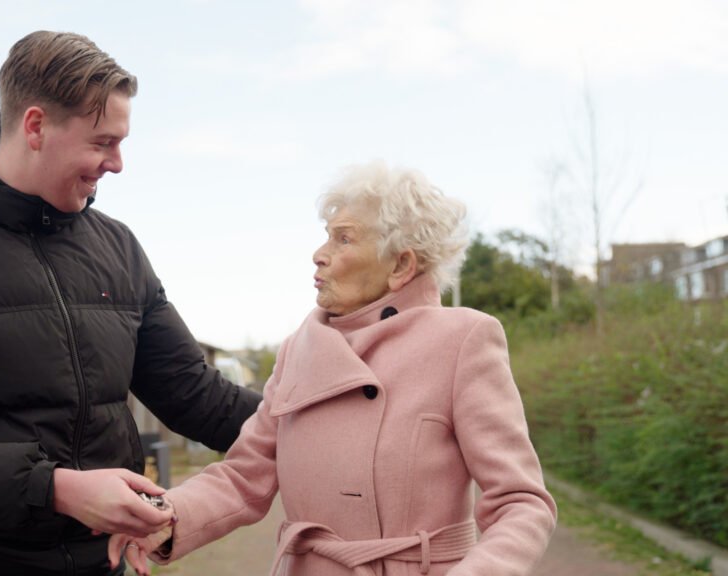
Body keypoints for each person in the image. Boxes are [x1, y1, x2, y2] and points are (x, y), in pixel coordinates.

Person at [0, 30, 260, 576]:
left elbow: (194, 393)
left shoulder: (118, 248)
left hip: (98, 563)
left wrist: (315, 422)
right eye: (103, 142)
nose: (117, 163)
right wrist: (55, 489)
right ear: (36, 126)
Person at [110, 161, 557, 576]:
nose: (318, 254)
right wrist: (164, 517)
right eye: (327, 236)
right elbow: (245, 475)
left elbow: (521, 503)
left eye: (343, 239)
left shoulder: (462, 340)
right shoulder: (298, 350)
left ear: (401, 264)